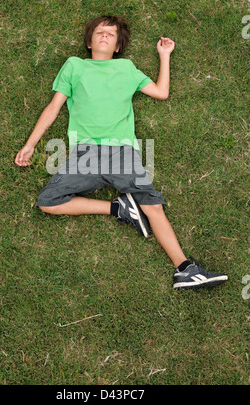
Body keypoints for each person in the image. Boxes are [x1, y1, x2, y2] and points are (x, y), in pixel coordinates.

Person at [15, 15, 228, 289]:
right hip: (85, 155)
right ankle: (119, 208)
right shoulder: (74, 66)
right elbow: (54, 107)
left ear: (117, 47)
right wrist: (31, 143)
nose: (104, 36)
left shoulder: (126, 68)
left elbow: (161, 92)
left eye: (111, 35)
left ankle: (184, 269)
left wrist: (165, 55)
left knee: (153, 206)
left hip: (121, 153)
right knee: (48, 201)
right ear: (89, 41)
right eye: (100, 32)